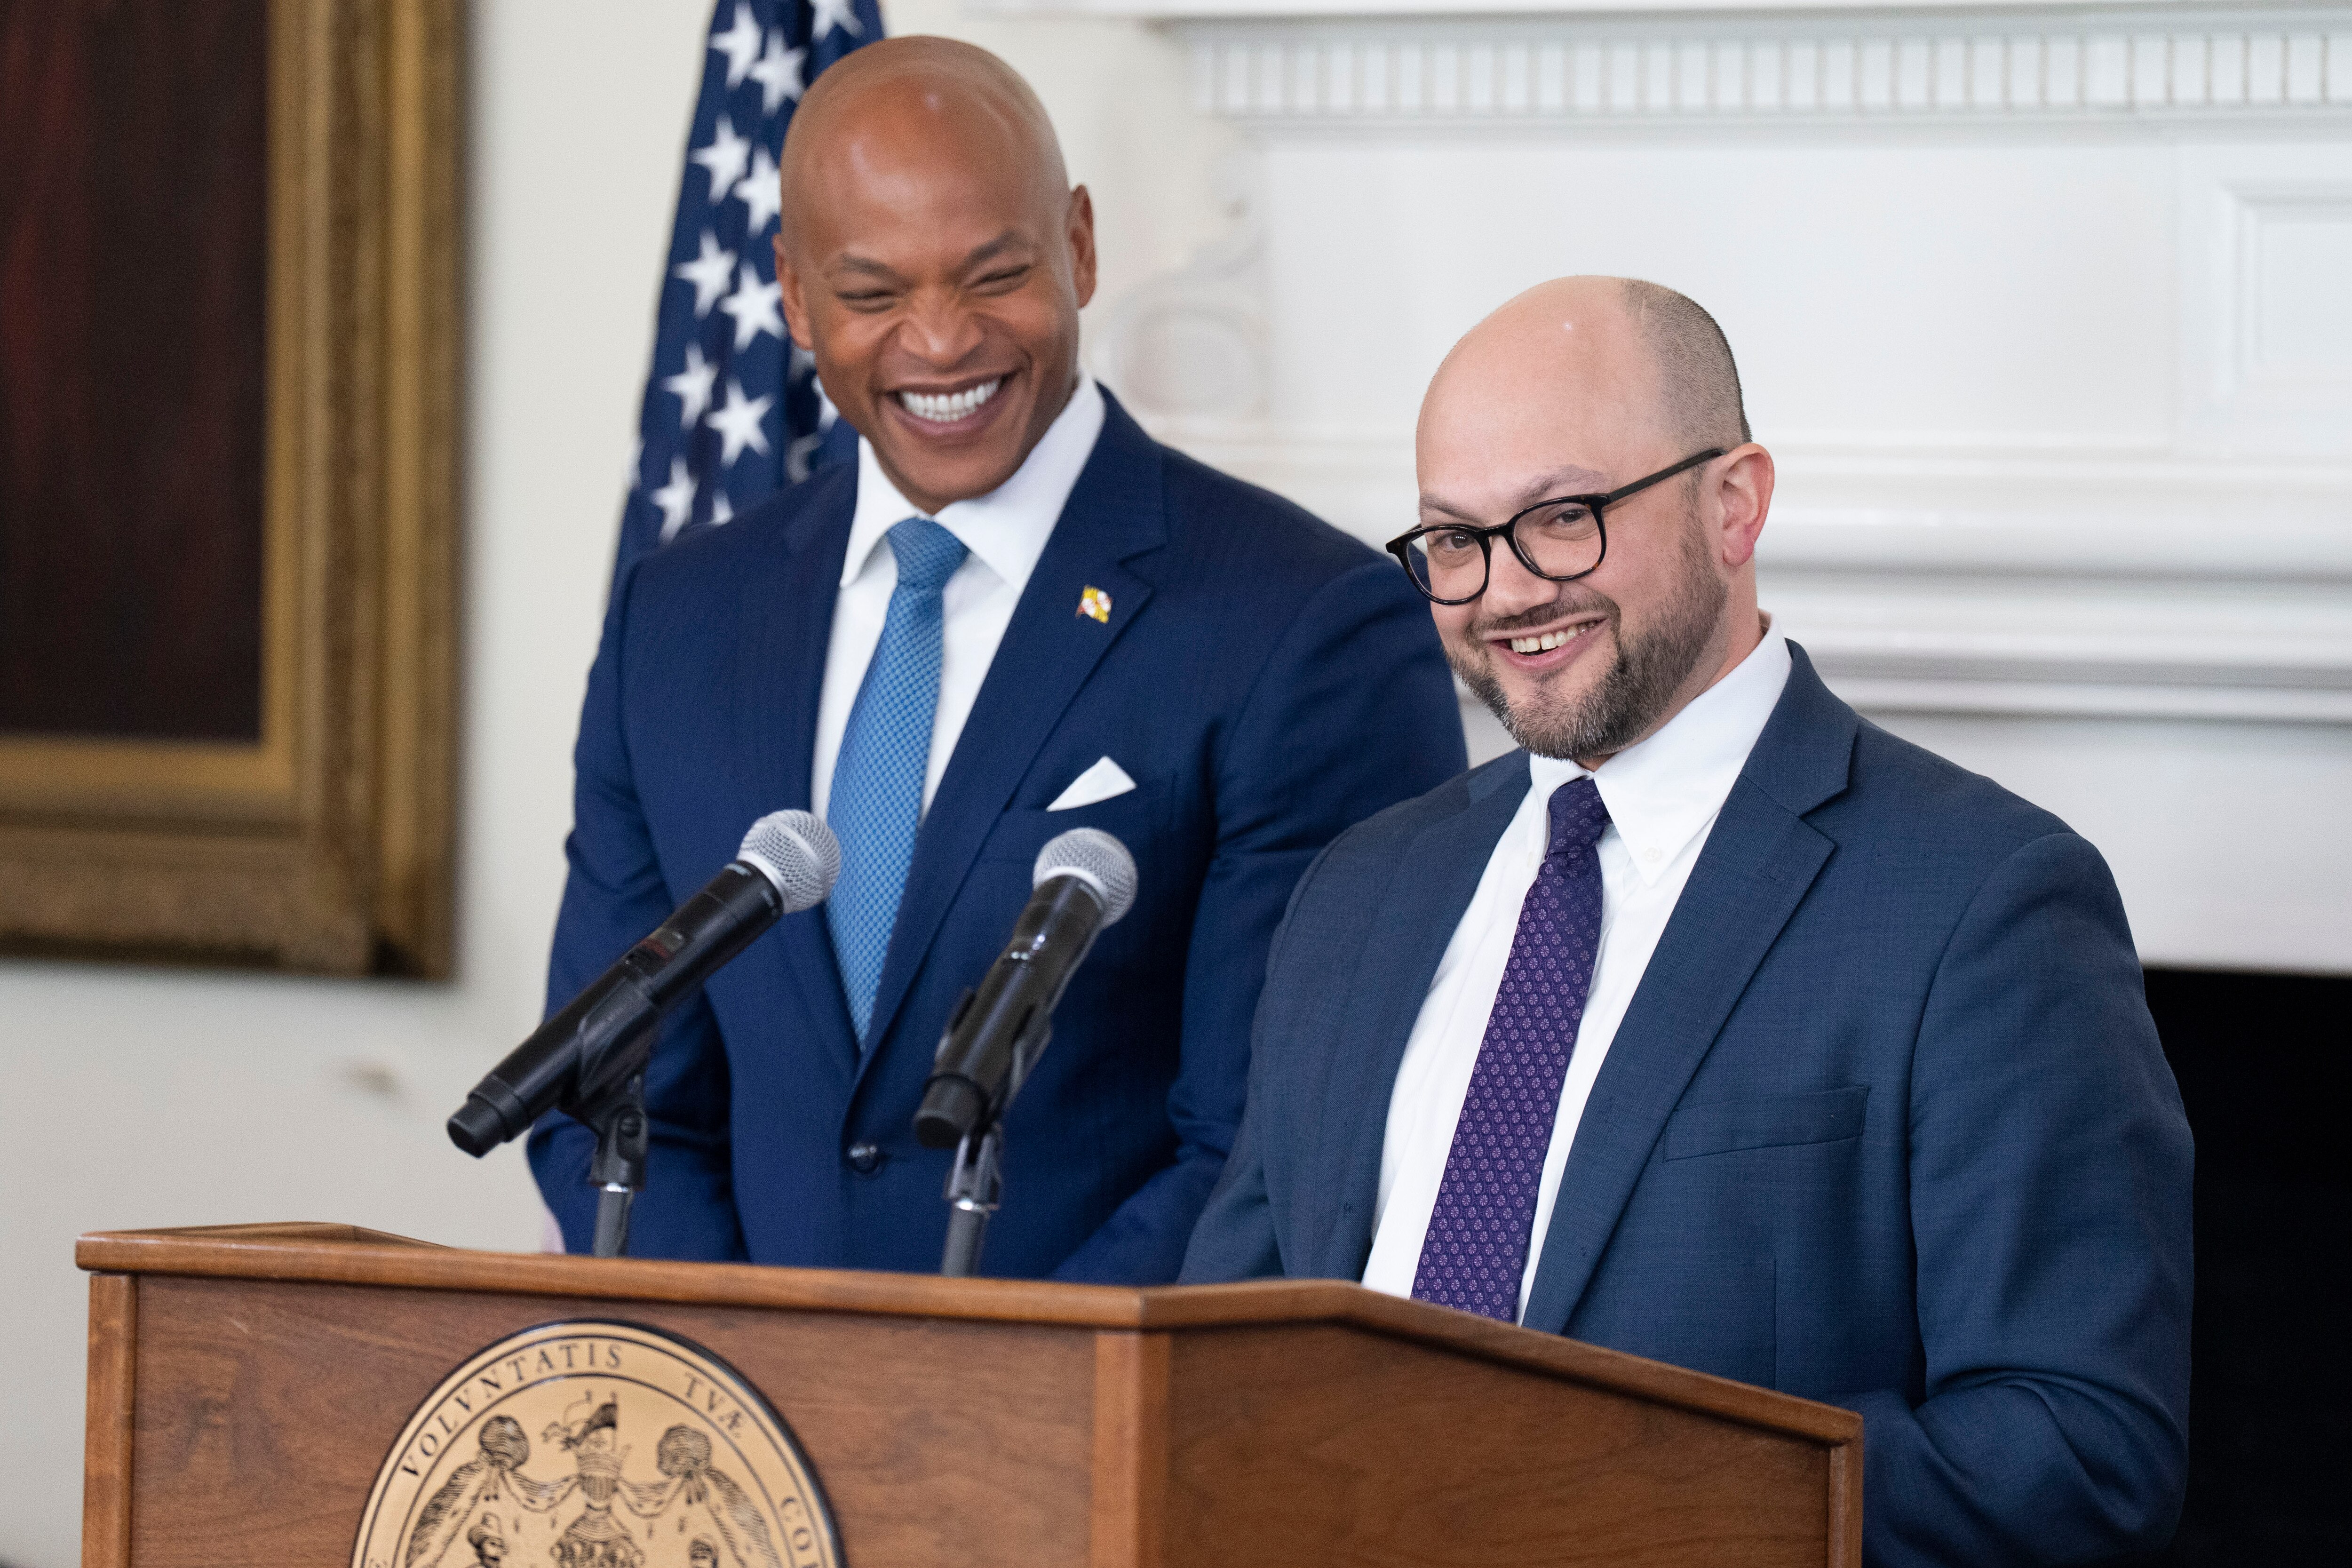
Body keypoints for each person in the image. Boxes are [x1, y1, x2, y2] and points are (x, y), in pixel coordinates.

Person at [1180, 276, 2193, 1564]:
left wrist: (1582, 1501)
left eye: (1564, 516)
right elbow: (1223, 1353)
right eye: (1453, 539)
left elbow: (2080, 1452)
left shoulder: (1984, 903)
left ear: (1736, 503)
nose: (1505, 591)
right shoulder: (1362, 890)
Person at [530, 38, 1464, 1282]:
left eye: (995, 275)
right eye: (872, 295)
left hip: (1107, 1435)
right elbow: (618, 1099)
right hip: (738, 1435)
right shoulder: (681, 619)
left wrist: (980, 1410)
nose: (941, 341)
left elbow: (1279, 1146)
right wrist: (742, 1383)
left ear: (1078, 245)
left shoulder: (1309, 625)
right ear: (795, 298)